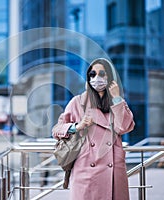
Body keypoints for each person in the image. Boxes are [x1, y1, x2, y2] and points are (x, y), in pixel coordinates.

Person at [52, 58, 135, 200]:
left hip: (113, 172)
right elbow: (56, 130)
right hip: (86, 172)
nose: (97, 78)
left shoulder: (118, 102)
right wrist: (77, 126)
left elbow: (124, 127)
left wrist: (116, 99)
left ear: (110, 77)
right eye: (92, 74)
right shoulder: (78, 102)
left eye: (102, 74)